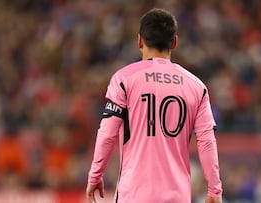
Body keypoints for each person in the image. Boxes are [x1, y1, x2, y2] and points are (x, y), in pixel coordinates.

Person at [86, 8, 223, 203]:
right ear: (174, 42)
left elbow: (107, 132)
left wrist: (95, 175)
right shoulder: (197, 86)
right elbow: (207, 141)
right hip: (177, 196)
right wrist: (214, 190)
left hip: (133, 195)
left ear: (140, 40)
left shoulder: (124, 79)